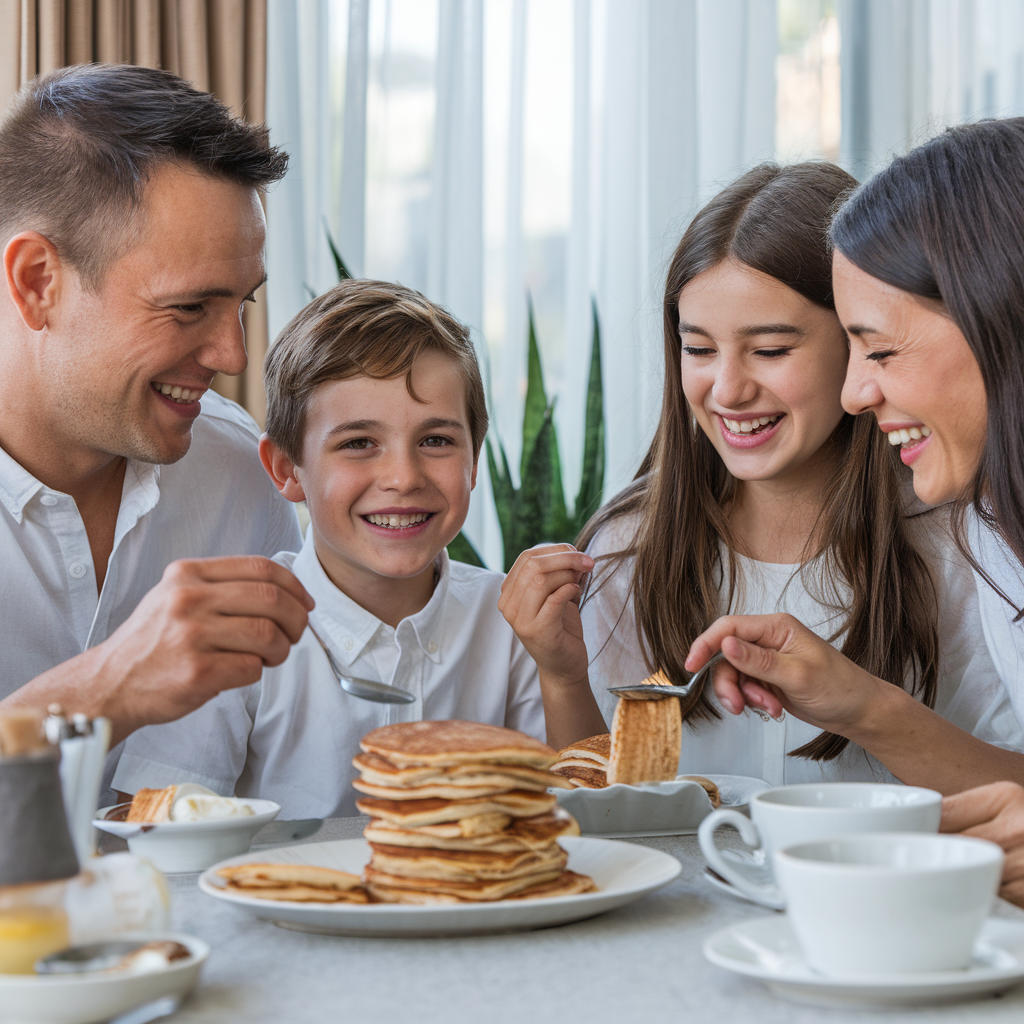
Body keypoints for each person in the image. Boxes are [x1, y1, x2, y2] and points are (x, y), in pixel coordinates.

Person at [500, 162, 1024, 787]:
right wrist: (560, 676)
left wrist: (871, 708)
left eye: (771, 351)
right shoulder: (627, 547)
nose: (728, 389)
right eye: (698, 349)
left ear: (859, 341)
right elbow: (609, 807)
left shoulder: (968, 544)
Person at [111, 280, 606, 816]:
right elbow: (156, 830)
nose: (402, 477)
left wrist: (563, 675)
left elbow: (595, 827)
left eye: (436, 440)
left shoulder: (512, 624)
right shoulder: (230, 631)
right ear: (286, 469)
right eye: (358, 444)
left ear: (475, 460)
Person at [0, 64, 313, 748]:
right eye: (189, 307)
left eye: (244, 302)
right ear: (37, 283)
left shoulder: (240, 473)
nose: (233, 356)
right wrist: (104, 689)